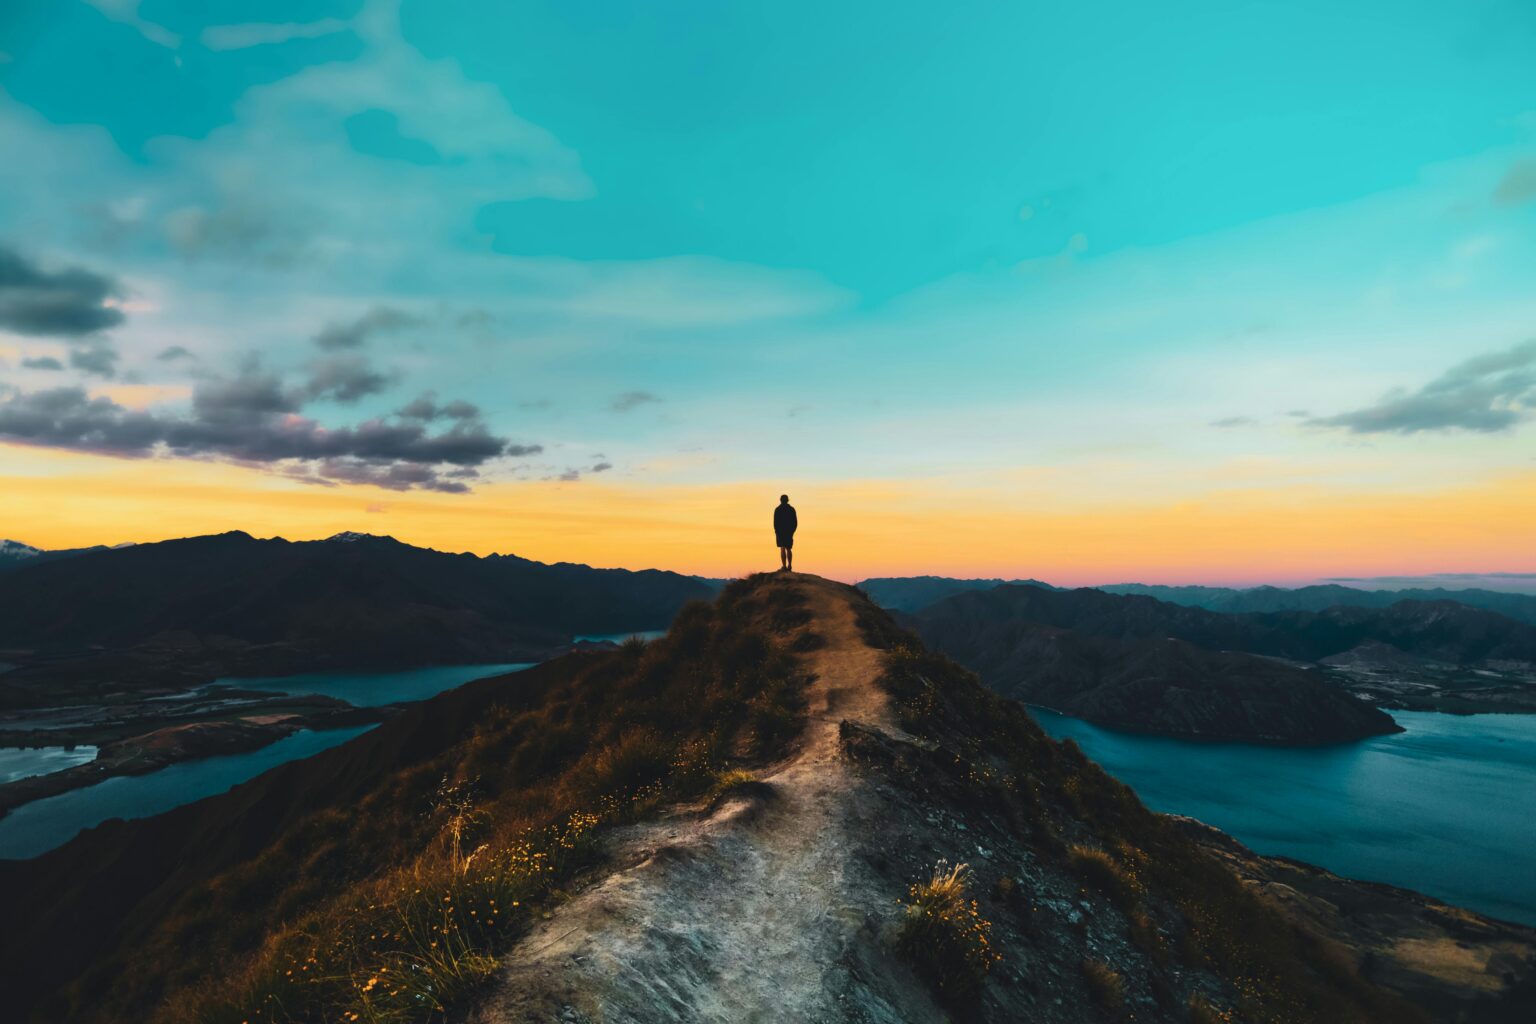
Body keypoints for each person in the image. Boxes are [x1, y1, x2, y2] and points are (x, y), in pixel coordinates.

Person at [774, 494, 797, 571]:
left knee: (783, 548)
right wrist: (792, 531)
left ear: (780, 500)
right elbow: (795, 522)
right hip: (788, 532)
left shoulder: (778, 509)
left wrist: (777, 531)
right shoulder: (791, 509)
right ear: (787, 500)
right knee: (788, 548)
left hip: (781, 532)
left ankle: (784, 566)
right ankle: (789, 565)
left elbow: (775, 523)